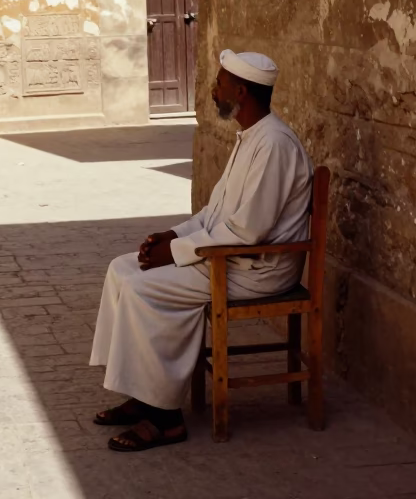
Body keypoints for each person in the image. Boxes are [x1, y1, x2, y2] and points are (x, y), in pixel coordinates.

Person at [90, 49, 313, 453]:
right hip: (228, 254)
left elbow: (248, 231)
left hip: (257, 267)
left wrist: (176, 252)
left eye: (220, 84)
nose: (213, 90)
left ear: (241, 92)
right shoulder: (251, 138)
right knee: (123, 269)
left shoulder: (275, 144)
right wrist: (171, 234)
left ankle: (165, 418)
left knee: (147, 290)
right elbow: (215, 213)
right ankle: (143, 394)